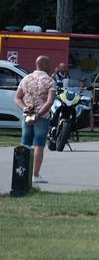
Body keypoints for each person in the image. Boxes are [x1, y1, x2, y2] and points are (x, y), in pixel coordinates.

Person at [14, 56, 56, 184]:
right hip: (42, 116)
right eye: (49, 64)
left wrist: (27, 110)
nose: (51, 67)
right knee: (39, 144)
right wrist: (39, 114)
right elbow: (50, 102)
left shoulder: (26, 78)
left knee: (25, 143)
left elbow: (17, 98)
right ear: (44, 65)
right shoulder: (49, 81)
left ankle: (21, 171)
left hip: (28, 113)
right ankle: (35, 175)